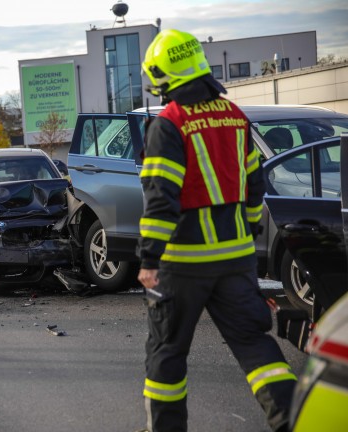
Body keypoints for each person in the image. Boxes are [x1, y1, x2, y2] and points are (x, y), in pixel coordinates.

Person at [136, 30, 296, 432]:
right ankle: (297, 421)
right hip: (236, 259)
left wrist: (149, 259)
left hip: (183, 265)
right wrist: (249, 233)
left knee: (167, 354)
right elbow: (255, 187)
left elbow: (161, 199)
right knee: (255, 346)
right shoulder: (235, 116)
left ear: (166, 74)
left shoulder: (169, 123)